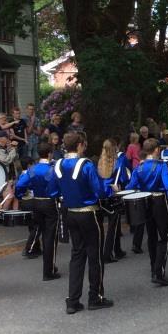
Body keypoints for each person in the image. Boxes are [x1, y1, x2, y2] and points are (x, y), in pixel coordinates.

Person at [48, 132, 114, 314]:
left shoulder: (58, 164)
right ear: (79, 145)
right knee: (95, 256)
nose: (84, 147)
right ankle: (95, 297)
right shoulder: (86, 165)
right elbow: (99, 191)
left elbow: (52, 191)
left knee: (77, 256)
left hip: (70, 214)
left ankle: (72, 300)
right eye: (83, 145)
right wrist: (109, 188)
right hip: (89, 214)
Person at [125, 138, 168, 286]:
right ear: (156, 150)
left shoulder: (139, 168)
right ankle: (159, 272)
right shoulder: (161, 166)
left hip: (144, 202)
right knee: (164, 237)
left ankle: (153, 268)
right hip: (159, 202)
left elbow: (131, 186)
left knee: (152, 236)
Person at [15, 142, 59, 281]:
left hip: (36, 202)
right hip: (50, 202)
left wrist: (20, 195)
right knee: (50, 236)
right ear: (50, 154)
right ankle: (49, 270)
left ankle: (49, 268)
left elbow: (20, 184)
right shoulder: (53, 169)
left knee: (41, 231)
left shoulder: (32, 169)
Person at [96, 138, 130, 263]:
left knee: (107, 226)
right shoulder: (119, 162)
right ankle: (108, 253)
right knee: (113, 226)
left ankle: (117, 249)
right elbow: (124, 179)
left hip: (101, 196)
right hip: (113, 194)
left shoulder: (99, 162)